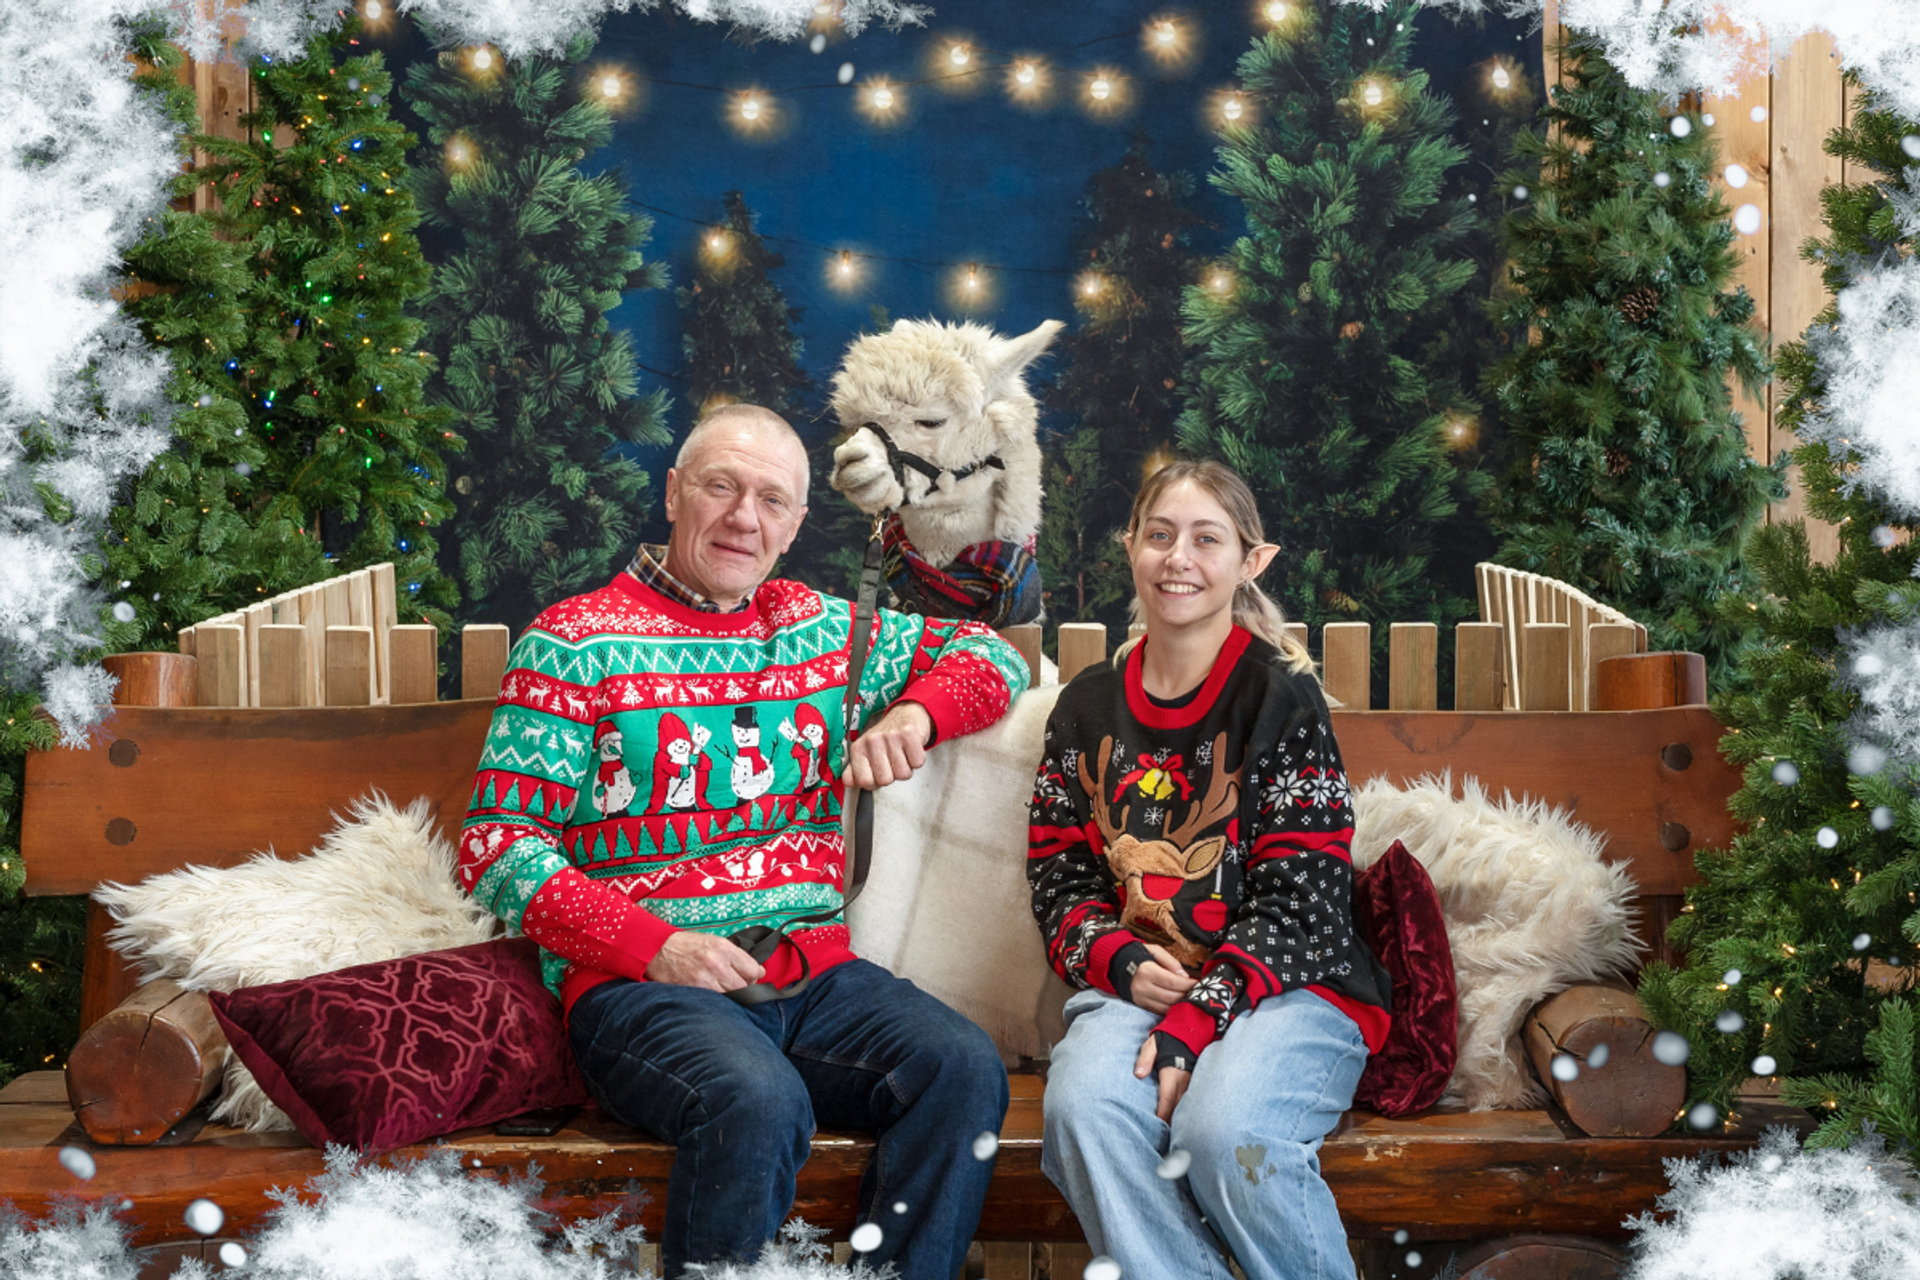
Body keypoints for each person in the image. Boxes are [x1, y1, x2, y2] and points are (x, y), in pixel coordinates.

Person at [460, 404, 1030, 1279]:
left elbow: (994, 657)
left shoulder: (822, 634)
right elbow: (497, 846)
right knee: (756, 1099)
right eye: (721, 487)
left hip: (809, 973)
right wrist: (658, 948)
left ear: (796, 525)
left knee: (959, 1068)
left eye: (771, 499)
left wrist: (919, 709)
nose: (743, 518)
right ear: (674, 492)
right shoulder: (574, 643)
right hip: (641, 989)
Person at [1028, 459, 1392, 1280]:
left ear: (1249, 562)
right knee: (1085, 1109)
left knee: (1222, 1133)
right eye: (1159, 536)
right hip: (1143, 985)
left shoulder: (1281, 702)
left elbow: (1304, 898)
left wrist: (1200, 1018)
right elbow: (1058, 874)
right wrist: (1112, 956)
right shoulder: (1086, 707)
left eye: (1205, 539)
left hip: (1290, 986)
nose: (1178, 559)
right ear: (1130, 548)